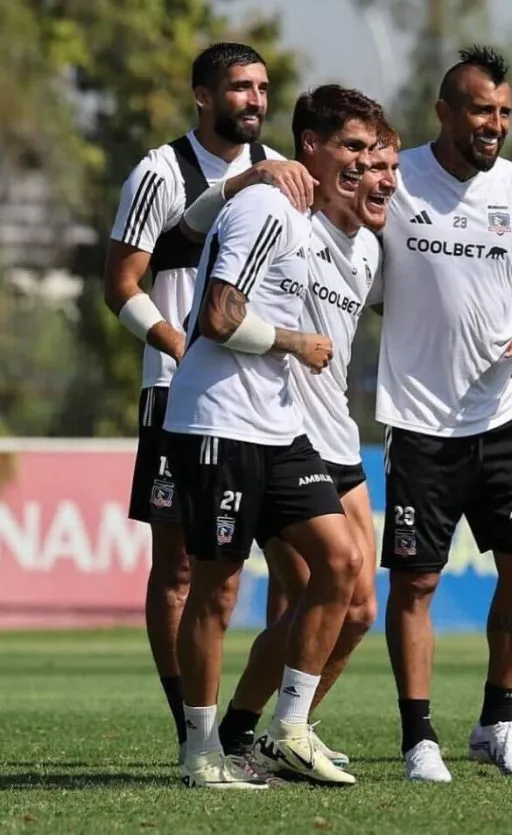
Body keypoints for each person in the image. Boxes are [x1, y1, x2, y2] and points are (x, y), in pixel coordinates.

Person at [162, 84, 384, 789]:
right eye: (350, 148)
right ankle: (201, 749)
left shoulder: (310, 216)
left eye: (369, 150)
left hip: (279, 425)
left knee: (343, 564)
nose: (361, 163)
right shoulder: (267, 205)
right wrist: (295, 341)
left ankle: (289, 728)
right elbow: (220, 317)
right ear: (310, 147)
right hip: (218, 420)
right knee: (217, 592)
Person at [104, 41, 312, 759]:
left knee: (298, 569)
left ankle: (257, 727)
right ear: (202, 95)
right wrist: (176, 342)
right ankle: (187, 726)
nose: (254, 100)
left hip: (266, 399)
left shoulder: (281, 174)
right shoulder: (160, 171)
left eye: (261, 87)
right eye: (238, 88)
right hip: (179, 391)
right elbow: (121, 282)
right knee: (182, 568)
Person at [374, 45, 512, 783]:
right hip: (422, 421)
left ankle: (497, 719)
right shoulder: (394, 180)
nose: (496, 124)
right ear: (445, 113)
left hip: (505, 415)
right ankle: (418, 736)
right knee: (417, 583)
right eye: (483, 110)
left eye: (505, 112)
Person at [211, 121, 401, 773]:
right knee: (307, 596)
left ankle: (280, 730)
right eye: (360, 159)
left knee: (359, 608)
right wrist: (259, 172)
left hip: (341, 441)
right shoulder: (295, 217)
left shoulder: (373, 251)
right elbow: (205, 233)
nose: (377, 175)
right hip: (286, 434)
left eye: (383, 164)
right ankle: (249, 733)